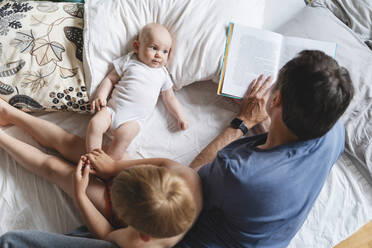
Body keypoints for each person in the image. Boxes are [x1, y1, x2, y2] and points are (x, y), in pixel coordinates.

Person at [0, 50, 354, 247]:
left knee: (18, 237)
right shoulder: (332, 133)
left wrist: (242, 123)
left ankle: (10, 120)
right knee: (75, 159)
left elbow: (188, 177)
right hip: (168, 209)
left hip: (161, 223)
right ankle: (9, 116)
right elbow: (177, 171)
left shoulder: (237, 176)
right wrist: (258, 122)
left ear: (276, 99)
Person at [0, 99, 202, 248]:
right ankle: (10, 113)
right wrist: (113, 168)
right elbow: (163, 162)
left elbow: (106, 234)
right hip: (134, 185)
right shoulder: (186, 177)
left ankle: (2, 138)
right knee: (70, 143)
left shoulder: (142, 243)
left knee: (55, 169)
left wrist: (80, 195)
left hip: (115, 207)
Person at [86, 23, 189, 160]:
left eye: (165, 51)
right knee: (95, 124)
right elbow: (110, 79)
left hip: (132, 121)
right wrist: (101, 96)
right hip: (112, 111)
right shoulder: (129, 60)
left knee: (125, 137)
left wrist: (180, 116)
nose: (159, 55)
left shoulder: (163, 74)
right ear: (136, 47)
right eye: (154, 48)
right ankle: (93, 158)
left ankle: (107, 164)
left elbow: (169, 98)